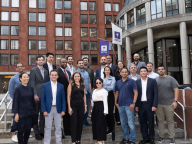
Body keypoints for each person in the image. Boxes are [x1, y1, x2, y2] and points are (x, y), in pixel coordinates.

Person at [41, 70, 66, 144]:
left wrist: (63, 110)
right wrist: (44, 110)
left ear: (58, 76)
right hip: (48, 109)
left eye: (55, 75)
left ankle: (59, 142)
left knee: (58, 127)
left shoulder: (61, 86)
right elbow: (43, 99)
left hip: (58, 109)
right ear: (50, 76)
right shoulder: (45, 85)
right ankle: (46, 142)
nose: (54, 76)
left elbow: (63, 99)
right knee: (48, 127)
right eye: (52, 75)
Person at [155, 66, 179, 144]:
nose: (160, 70)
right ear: (157, 71)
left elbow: (176, 90)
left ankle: (172, 137)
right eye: (159, 69)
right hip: (159, 104)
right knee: (160, 121)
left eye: (162, 69)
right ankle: (161, 136)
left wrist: (175, 101)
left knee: (170, 121)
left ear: (164, 70)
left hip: (169, 103)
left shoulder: (171, 79)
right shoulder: (155, 80)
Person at [12, 72, 37, 144]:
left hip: (30, 113)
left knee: (28, 130)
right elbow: (15, 102)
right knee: (20, 130)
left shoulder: (31, 88)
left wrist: (34, 112)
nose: (26, 78)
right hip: (21, 113)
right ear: (20, 79)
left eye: (27, 77)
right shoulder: (17, 89)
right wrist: (16, 114)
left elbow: (32, 101)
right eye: (24, 77)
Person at [135, 67, 158, 144]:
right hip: (141, 105)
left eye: (145, 71)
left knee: (151, 122)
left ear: (147, 72)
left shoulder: (152, 81)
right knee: (142, 122)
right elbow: (135, 95)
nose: (143, 72)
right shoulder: (137, 82)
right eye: (141, 71)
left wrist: (154, 105)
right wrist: (136, 105)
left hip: (150, 105)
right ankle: (145, 138)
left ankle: (151, 138)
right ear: (140, 73)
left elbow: (155, 94)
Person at [115, 68, 138, 144]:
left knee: (131, 123)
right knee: (123, 122)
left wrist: (133, 103)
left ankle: (132, 139)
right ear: (120, 73)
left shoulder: (132, 81)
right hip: (120, 105)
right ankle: (126, 138)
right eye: (122, 72)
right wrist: (116, 103)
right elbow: (117, 93)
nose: (124, 73)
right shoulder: (118, 82)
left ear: (127, 73)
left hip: (129, 105)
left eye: (125, 72)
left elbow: (136, 93)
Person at [30, 55, 49, 140]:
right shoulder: (33, 70)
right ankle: (36, 133)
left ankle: (41, 132)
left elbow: (47, 83)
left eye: (42, 60)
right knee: (35, 115)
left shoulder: (46, 71)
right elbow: (32, 83)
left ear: (44, 61)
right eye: (39, 60)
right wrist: (35, 94)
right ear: (37, 61)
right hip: (37, 96)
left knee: (43, 115)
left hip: (44, 96)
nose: (41, 61)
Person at [67, 72, 87, 144]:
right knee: (74, 123)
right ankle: (73, 141)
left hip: (81, 105)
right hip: (73, 105)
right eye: (75, 76)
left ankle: (78, 140)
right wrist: (69, 107)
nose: (77, 77)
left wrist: (85, 106)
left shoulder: (83, 85)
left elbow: (84, 95)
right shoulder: (70, 85)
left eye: (78, 76)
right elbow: (68, 97)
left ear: (80, 77)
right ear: (73, 77)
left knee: (80, 123)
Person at [8, 63, 25, 142]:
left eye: (21, 66)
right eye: (18, 67)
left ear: (23, 67)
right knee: (16, 118)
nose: (20, 68)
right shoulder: (13, 78)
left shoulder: (27, 77)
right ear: (16, 69)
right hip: (17, 101)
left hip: (26, 101)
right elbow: (11, 90)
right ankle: (13, 134)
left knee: (25, 118)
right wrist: (15, 99)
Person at [57, 58, 71, 137]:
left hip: (68, 96)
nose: (64, 63)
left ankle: (67, 131)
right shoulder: (57, 72)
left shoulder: (68, 72)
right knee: (60, 115)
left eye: (66, 62)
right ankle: (60, 133)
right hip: (60, 96)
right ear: (60, 63)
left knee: (67, 115)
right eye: (63, 62)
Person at [76, 59, 92, 126]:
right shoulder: (76, 73)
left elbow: (89, 82)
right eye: (80, 63)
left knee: (87, 107)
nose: (81, 64)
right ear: (77, 64)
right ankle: (80, 122)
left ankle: (85, 121)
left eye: (82, 63)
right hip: (79, 93)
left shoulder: (86, 73)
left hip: (87, 93)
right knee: (80, 108)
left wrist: (90, 92)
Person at [92, 78, 108, 144]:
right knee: (95, 123)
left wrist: (105, 111)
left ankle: (101, 140)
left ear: (102, 83)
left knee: (100, 124)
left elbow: (105, 101)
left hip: (101, 107)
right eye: (97, 83)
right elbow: (93, 100)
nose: (98, 84)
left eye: (99, 82)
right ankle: (98, 140)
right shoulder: (94, 90)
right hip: (95, 107)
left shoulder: (104, 91)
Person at [103, 66, 116, 141]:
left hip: (110, 96)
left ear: (110, 71)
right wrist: (106, 86)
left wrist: (105, 87)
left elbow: (112, 87)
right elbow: (100, 86)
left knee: (111, 113)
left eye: (108, 70)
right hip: (104, 96)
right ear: (104, 71)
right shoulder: (103, 78)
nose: (107, 71)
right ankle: (108, 129)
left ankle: (112, 129)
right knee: (106, 112)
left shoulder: (113, 78)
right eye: (106, 70)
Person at [114, 60, 126, 125]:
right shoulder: (116, 73)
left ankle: (125, 120)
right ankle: (118, 120)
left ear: (123, 64)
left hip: (125, 90)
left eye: (121, 64)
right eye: (119, 64)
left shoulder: (127, 72)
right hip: (118, 90)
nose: (120, 65)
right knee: (117, 104)